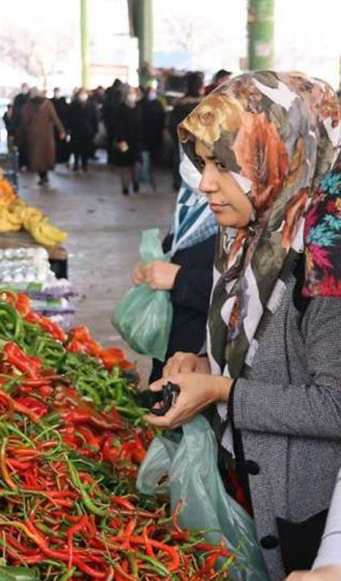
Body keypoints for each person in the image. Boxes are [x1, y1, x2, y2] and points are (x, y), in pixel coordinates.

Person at [144, 72, 341, 579]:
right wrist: (202, 361)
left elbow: (334, 406)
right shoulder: (245, 237)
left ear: (275, 156)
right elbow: (246, 347)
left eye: (224, 165)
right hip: (244, 488)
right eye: (204, 164)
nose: (205, 182)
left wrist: (219, 392)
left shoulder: (325, 263)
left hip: (302, 517)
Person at [131, 155, 218, 382]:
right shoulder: (191, 203)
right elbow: (178, 251)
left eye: (214, 162)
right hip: (172, 349)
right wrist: (150, 269)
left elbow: (238, 291)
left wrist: (179, 279)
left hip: (201, 362)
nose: (206, 180)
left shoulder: (240, 215)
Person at [168, 72, 206, 191]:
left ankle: (179, 185)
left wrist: (178, 138)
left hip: (182, 141)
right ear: (200, 86)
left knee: (180, 162)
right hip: (202, 142)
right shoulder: (205, 104)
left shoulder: (179, 104)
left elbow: (172, 125)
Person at [19, 88, 64, 185]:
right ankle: (45, 175)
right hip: (46, 134)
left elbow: (24, 121)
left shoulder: (28, 106)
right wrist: (61, 130)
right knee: (46, 154)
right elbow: (55, 118)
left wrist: (23, 133)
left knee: (37, 156)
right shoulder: (47, 104)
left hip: (33, 134)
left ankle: (42, 176)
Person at [111, 86, 142, 195]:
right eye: (129, 93)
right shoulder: (120, 109)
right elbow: (117, 126)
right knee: (124, 166)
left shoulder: (139, 108)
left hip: (137, 141)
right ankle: (125, 186)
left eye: (133, 93)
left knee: (135, 164)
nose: (131, 95)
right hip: (124, 141)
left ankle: (136, 182)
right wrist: (120, 140)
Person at [139, 84, 166, 190]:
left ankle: (148, 173)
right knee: (145, 155)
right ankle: (145, 174)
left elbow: (162, 118)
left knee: (152, 156)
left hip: (155, 135)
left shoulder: (158, 104)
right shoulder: (142, 104)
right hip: (144, 135)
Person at [67, 89, 97, 172]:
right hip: (76, 130)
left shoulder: (91, 106)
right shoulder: (73, 105)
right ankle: (76, 163)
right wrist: (69, 128)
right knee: (76, 148)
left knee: (85, 149)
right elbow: (69, 117)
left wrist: (94, 129)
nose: (82, 96)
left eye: (84, 94)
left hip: (87, 130)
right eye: (81, 94)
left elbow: (94, 118)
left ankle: (84, 164)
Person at [10, 83, 31, 167]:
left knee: (29, 147)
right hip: (19, 127)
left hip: (29, 127)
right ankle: (21, 163)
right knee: (20, 147)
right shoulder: (18, 98)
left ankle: (28, 163)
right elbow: (14, 114)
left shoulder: (31, 98)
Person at [51, 88, 70, 165]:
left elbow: (67, 114)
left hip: (63, 124)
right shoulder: (51, 102)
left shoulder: (63, 102)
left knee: (62, 142)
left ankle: (62, 158)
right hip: (53, 126)